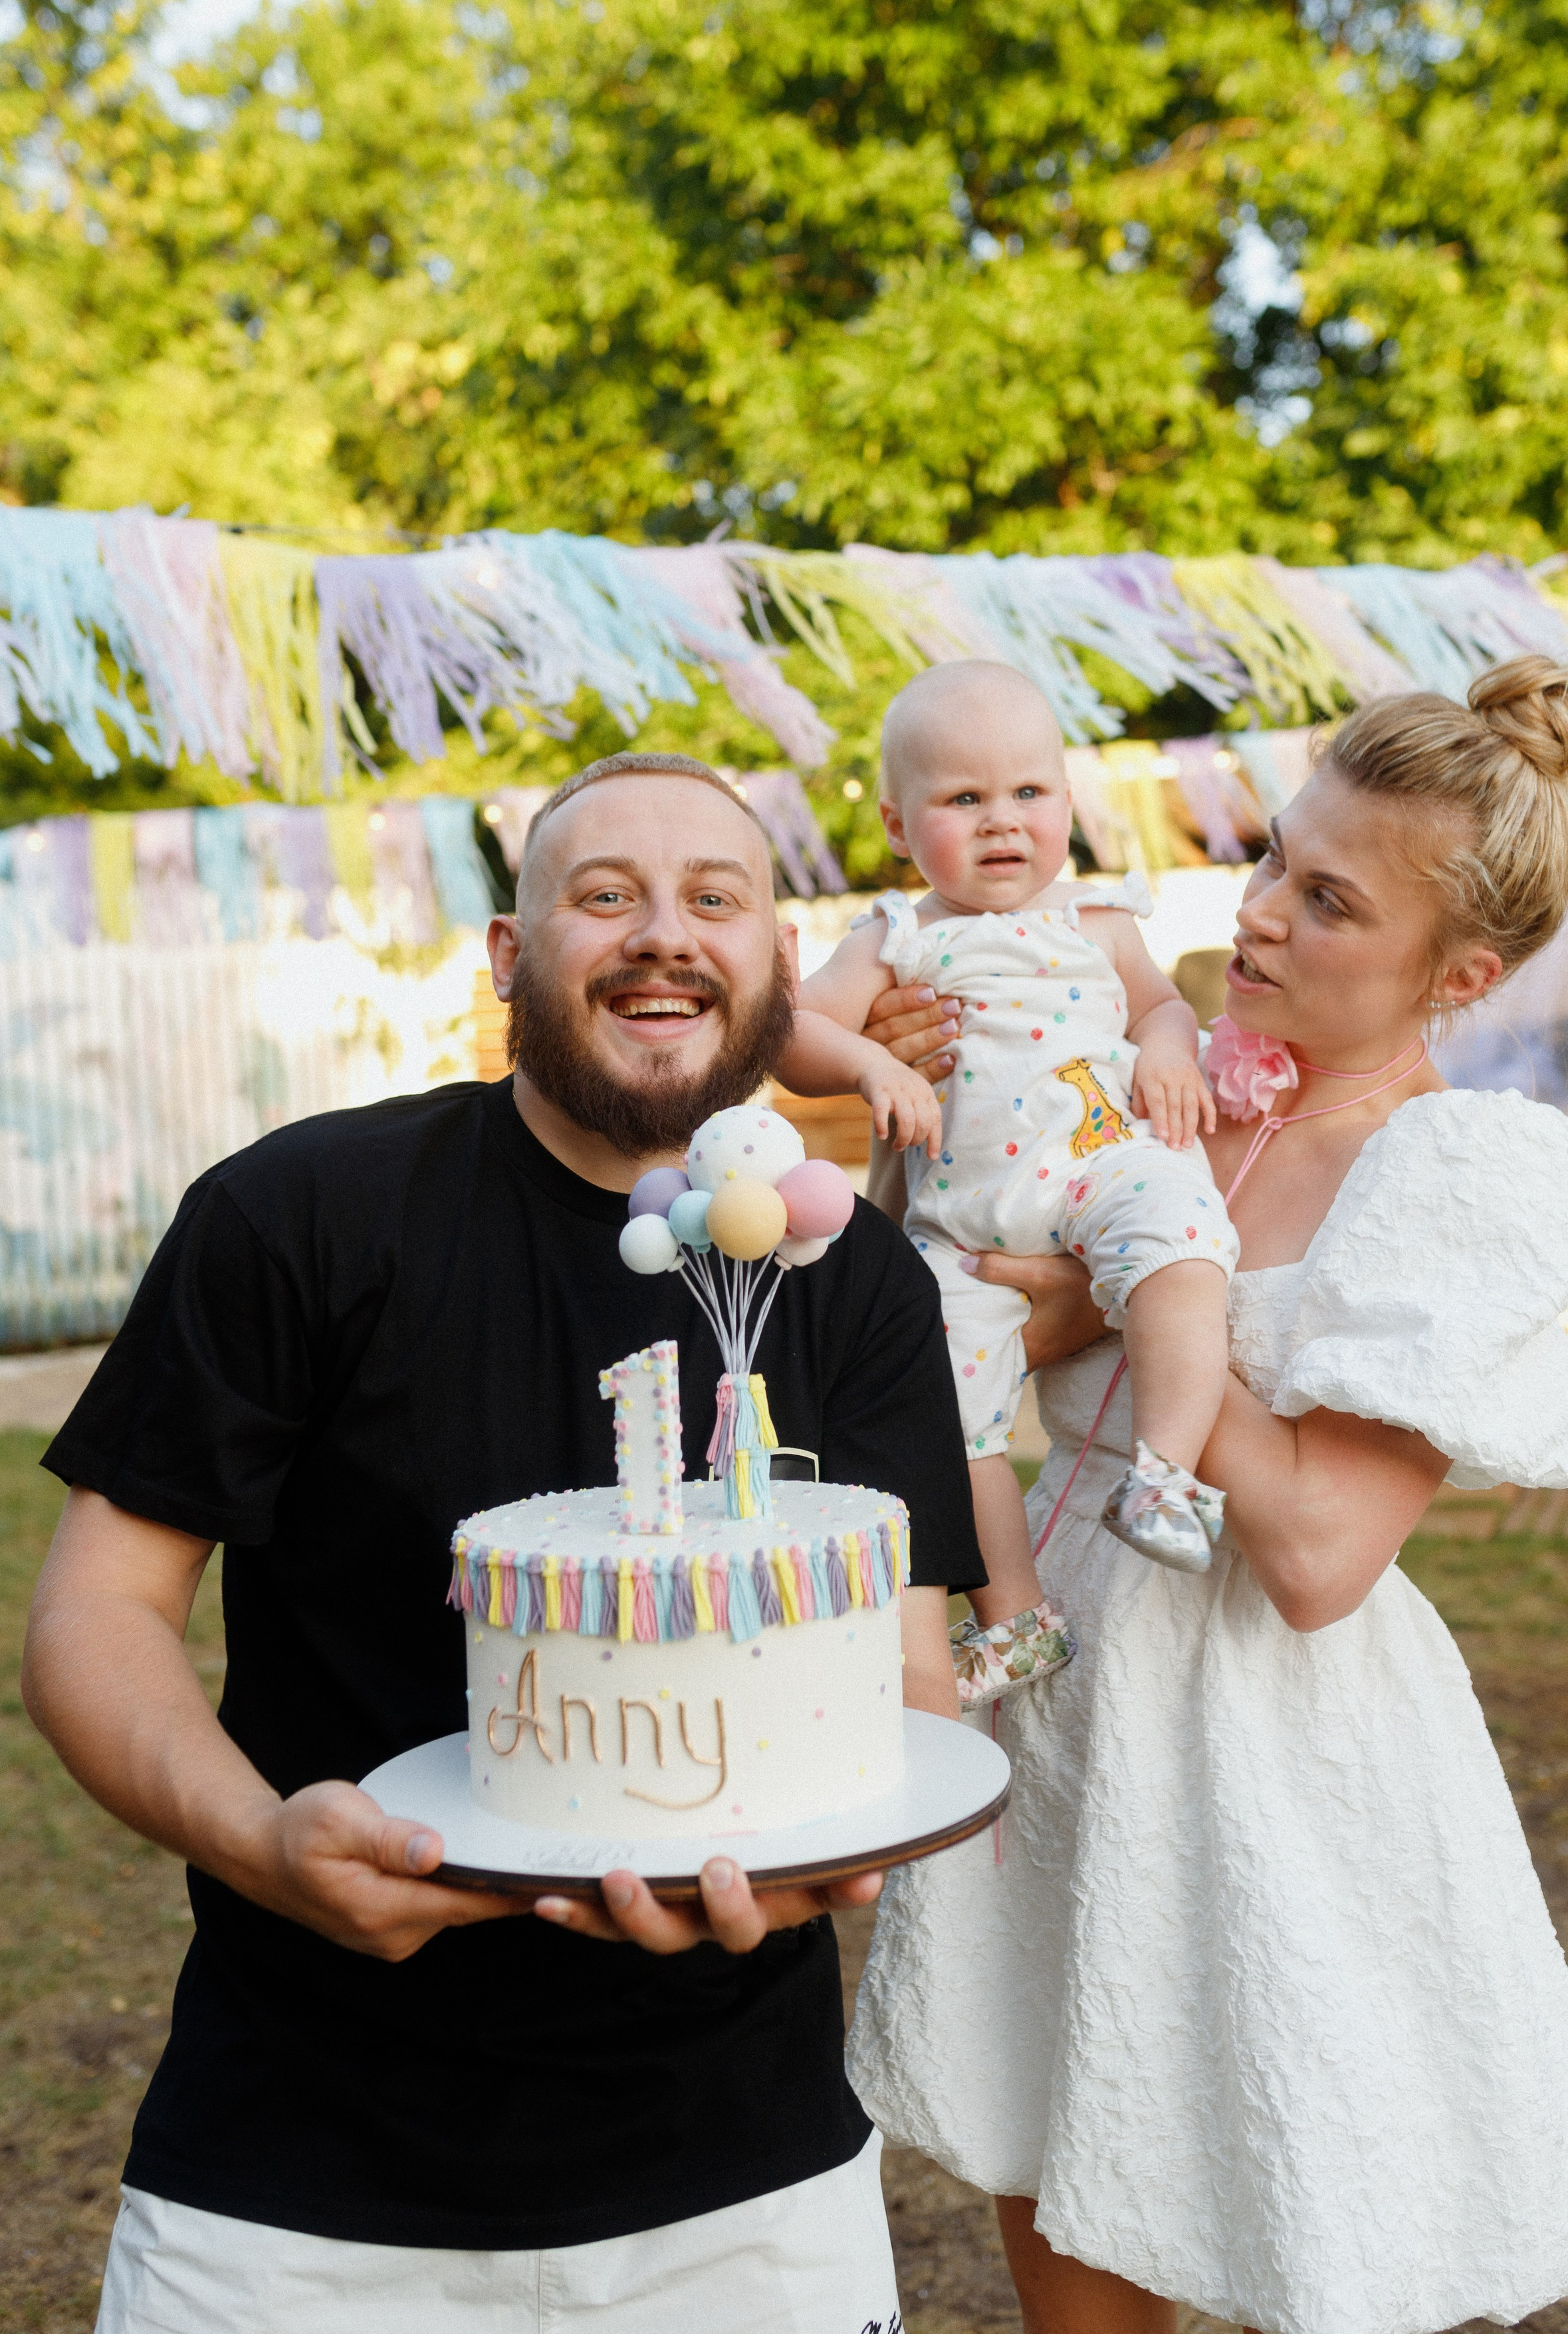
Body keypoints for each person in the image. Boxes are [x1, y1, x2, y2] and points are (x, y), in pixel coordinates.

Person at [22, 750, 982, 2334]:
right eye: (602, 896)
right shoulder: (303, 1215)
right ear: (506, 959)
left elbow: (905, 1678)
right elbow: (97, 1617)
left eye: (713, 899)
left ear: (779, 966)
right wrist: (266, 1849)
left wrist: (829, 1856)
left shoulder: (854, 1277)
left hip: (742, 2198)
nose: (662, 934)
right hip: (298, 2190)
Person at [846, 659, 1568, 2334]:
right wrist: (912, 1116)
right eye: (1273, 858)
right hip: (1055, 1695)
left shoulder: (1457, 1175)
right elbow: (956, 1282)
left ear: (1462, 973)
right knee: (1057, 2147)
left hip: (1264, 1749)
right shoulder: (1153, 1077)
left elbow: (1310, 1554)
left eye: (1327, 898)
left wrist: (1131, 1314)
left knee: (1313, 2211)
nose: (1261, 913)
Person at [782, 661, 1237, 1708]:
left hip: (1101, 1167)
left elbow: (1162, 1006)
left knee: (1184, 1242)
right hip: (964, 1222)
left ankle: (1168, 1474)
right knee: (946, 1415)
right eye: (964, 799)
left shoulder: (1102, 922)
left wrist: (1167, 1046)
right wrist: (873, 1064)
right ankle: (1018, 1618)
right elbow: (796, 1033)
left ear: (1069, 806)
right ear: (900, 827)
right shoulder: (897, 937)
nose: (1002, 822)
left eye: (1028, 793)